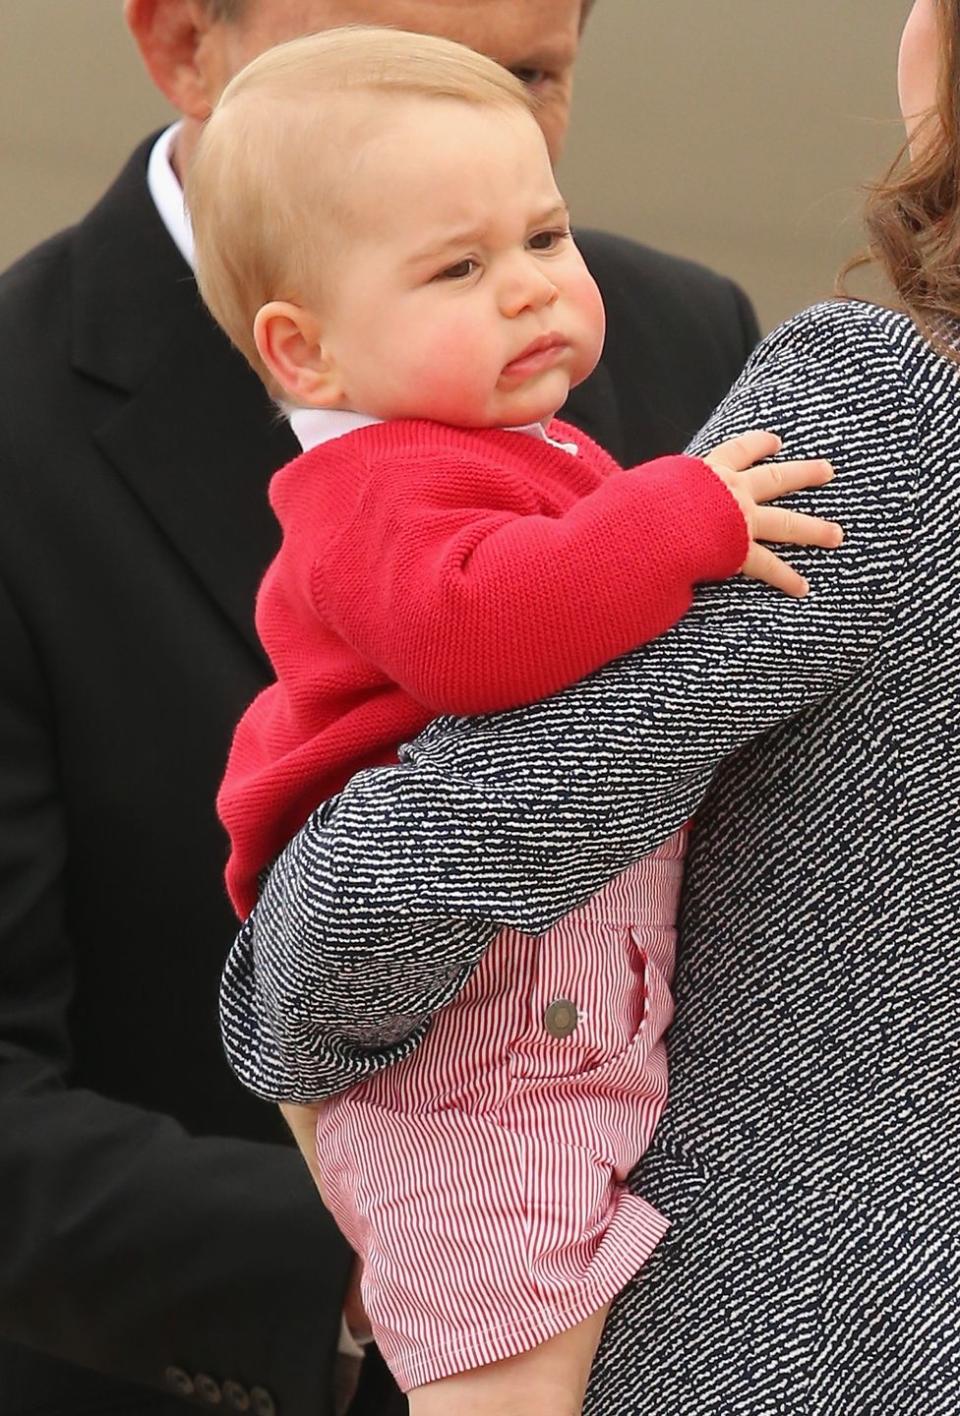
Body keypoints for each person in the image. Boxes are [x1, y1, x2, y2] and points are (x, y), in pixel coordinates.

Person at [0, 0, 762, 1412]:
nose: (531, 287)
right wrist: (421, 1260)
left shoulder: (681, 329)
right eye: (385, 58)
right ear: (180, 43)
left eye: (525, 77)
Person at [220, 1, 960, 1411]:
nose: (529, 287)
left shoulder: (886, 410)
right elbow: (475, 626)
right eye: (460, 263)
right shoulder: (398, 473)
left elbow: (362, 927)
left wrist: (283, 1013)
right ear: (300, 348)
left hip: (795, 1335)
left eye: (546, 239)